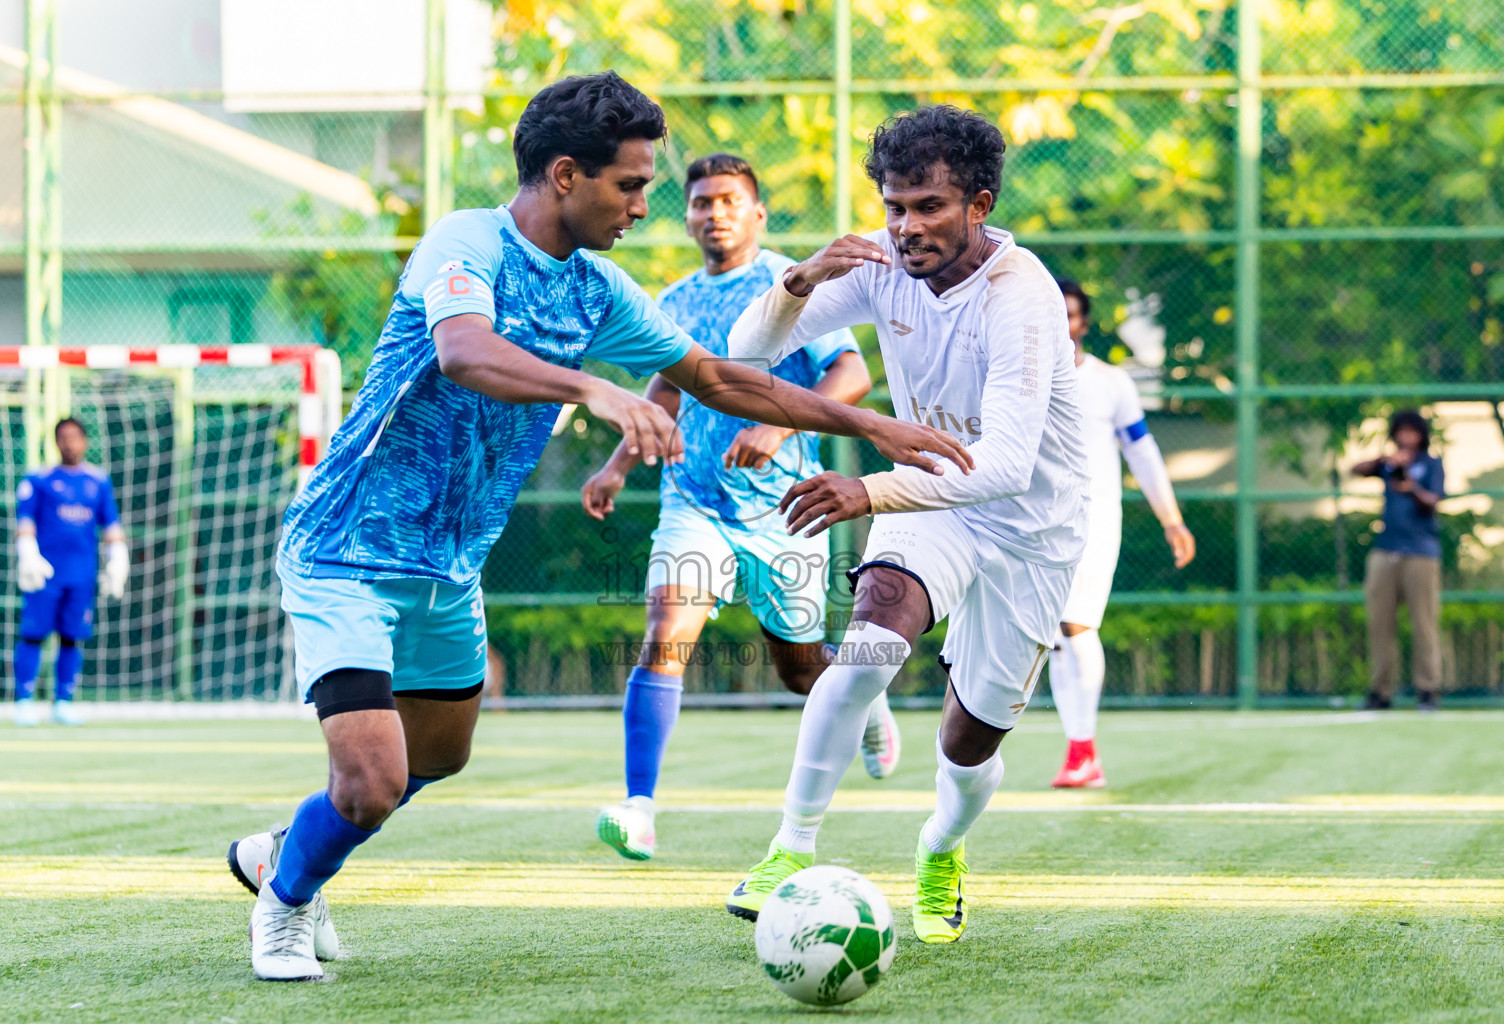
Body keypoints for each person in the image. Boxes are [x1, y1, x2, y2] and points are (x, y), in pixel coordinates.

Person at [223, 72, 971, 982]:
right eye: (631, 185)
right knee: (371, 780)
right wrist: (596, 388)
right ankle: (287, 905)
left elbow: (724, 379)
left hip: (450, 564)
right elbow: (464, 351)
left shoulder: (599, 289)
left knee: (437, 758)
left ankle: (282, 850)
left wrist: (874, 426)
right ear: (568, 175)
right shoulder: (467, 242)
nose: (647, 207)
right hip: (346, 547)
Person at [722, 105, 1088, 943]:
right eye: (894, 205)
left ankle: (939, 849)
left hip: (1028, 531)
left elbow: (1003, 467)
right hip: (930, 505)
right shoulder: (878, 261)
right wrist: (801, 278)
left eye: (928, 207)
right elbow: (747, 354)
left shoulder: (1019, 295)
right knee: (867, 652)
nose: (905, 226)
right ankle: (790, 848)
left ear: (979, 204)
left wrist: (869, 491)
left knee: (969, 742)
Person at [582, 153, 899, 863]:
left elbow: (852, 372)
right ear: (688, 215)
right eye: (700, 202)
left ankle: (866, 696)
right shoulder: (674, 298)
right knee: (666, 631)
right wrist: (615, 465)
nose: (714, 213)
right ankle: (639, 808)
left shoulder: (794, 284)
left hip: (785, 510)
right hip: (693, 502)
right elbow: (664, 392)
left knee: (799, 670)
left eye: (729, 200)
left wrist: (780, 425)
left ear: (757, 213)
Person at [1048, 280, 1195, 788]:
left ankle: (1083, 750)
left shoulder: (1112, 382)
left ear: (1084, 323)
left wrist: (1171, 519)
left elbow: (1143, 452)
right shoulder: (1014, 376)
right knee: (1053, 639)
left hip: (1092, 522)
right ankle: (1078, 751)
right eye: (1052, 313)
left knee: (1075, 626)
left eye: (1070, 315)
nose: (1061, 324)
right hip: (1028, 527)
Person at [12, 417, 129, 728]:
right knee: (33, 634)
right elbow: (24, 522)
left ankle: (63, 701)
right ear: (55, 441)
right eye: (63, 438)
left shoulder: (98, 481)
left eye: (75, 437)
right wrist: (27, 553)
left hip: (81, 575)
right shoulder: (39, 480)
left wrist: (118, 559)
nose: (70, 444)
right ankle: (23, 701)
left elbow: (111, 526)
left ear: (85, 441)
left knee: (72, 637)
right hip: (45, 573)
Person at [1352, 409, 1444, 711]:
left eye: (1412, 431)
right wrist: (1384, 463)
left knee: (1424, 624)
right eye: (1401, 431)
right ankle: (1380, 692)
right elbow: (1356, 469)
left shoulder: (1431, 464)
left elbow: (1433, 502)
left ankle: (1427, 691)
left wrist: (1412, 488)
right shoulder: (1389, 465)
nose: (1407, 437)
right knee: (1379, 624)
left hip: (1421, 553)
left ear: (1421, 435)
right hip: (1386, 550)